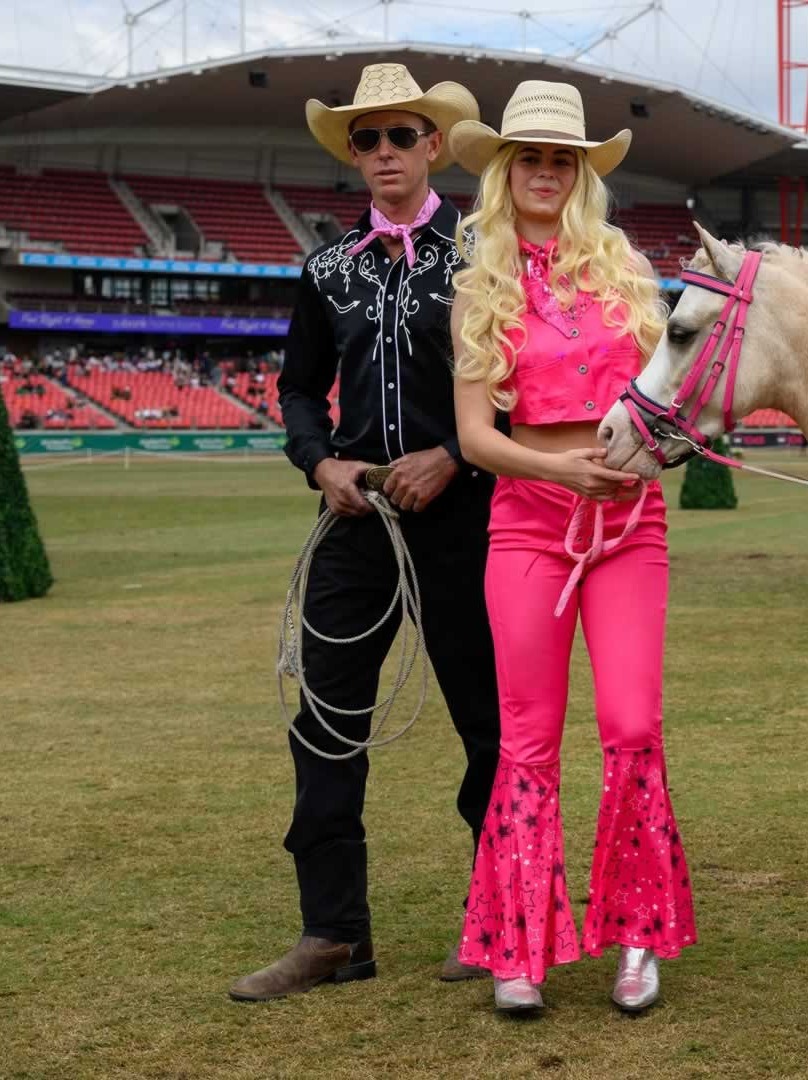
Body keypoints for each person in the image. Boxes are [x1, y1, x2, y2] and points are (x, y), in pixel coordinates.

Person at [230, 64, 502, 1002]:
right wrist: (321, 463)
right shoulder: (326, 267)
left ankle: (498, 916)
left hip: (465, 519)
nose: (383, 152)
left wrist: (456, 457)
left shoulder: (484, 255)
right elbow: (298, 387)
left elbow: (522, 387)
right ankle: (334, 935)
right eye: (367, 139)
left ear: (434, 145)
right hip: (353, 518)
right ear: (354, 153)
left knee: (489, 722)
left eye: (401, 136)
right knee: (326, 720)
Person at [445, 80, 694, 1015]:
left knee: (632, 726)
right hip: (528, 528)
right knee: (527, 741)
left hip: (631, 528)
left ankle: (635, 938)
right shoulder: (482, 285)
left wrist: (652, 452)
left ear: (580, 174)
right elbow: (475, 437)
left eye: (563, 160)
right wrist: (560, 476)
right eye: (531, 159)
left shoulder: (627, 274)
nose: (546, 173)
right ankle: (518, 947)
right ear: (506, 174)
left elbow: (666, 403)